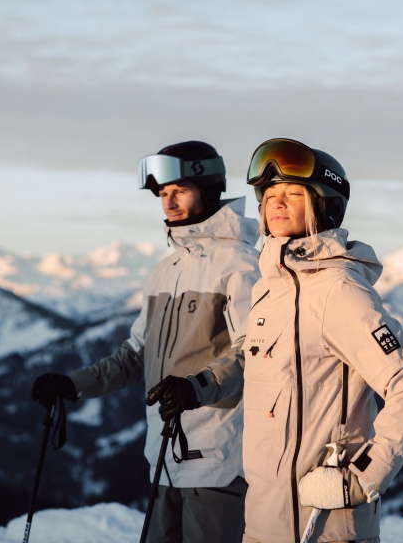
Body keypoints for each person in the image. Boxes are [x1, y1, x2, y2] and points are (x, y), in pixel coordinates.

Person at [31, 141, 260, 543]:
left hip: (218, 458)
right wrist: (73, 384)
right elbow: (135, 355)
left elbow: (253, 351)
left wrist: (196, 387)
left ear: (208, 189)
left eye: (180, 190)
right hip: (163, 457)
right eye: (163, 193)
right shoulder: (165, 270)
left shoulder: (240, 264)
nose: (168, 202)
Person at [241, 137, 403, 543]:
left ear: (325, 205)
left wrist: (361, 478)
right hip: (263, 520)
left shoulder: (339, 290)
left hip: (323, 525)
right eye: (269, 195)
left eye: (293, 194)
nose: (277, 203)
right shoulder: (267, 290)